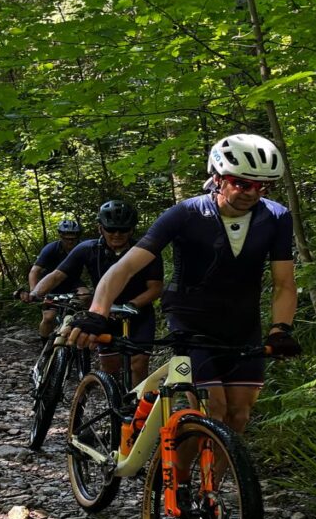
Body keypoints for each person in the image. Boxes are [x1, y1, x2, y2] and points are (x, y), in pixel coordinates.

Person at [68, 134, 301, 432]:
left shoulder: (277, 217)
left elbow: (284, 283)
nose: (253, 193)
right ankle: (175, 462)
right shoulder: (186, 214)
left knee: (239, 415)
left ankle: (209, 466)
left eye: (263, 186)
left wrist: (280, 330)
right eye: (242, 184)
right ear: (217, 177)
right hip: (190, 319)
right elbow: (124, 268)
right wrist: (97, 313)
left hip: (242, 322)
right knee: (212, 409)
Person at [26, 200, 162, 385]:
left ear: (131, 230)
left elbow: (155, 288)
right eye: (111, 229)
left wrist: (131, 305)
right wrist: (35, 293)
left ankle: (137, 402)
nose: (117, 234)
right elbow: (57, 275)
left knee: (138, 363)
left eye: (123, 230)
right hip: (104, 314)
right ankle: (114, 399)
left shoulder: (146, 251)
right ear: (100, 228)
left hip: (139, 313)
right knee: (110, 366)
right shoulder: (87, 249)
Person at [28, 219, 84, 340]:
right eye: (67, 238)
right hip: (51, 285)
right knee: (49, 318)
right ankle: (45, 346)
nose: (70, 241)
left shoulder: (82, 247)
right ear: (61, 236)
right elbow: (35, 271)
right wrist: (34, 292)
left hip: (73, 282)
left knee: (86, 296)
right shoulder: (51, 249)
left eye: (73, 238)